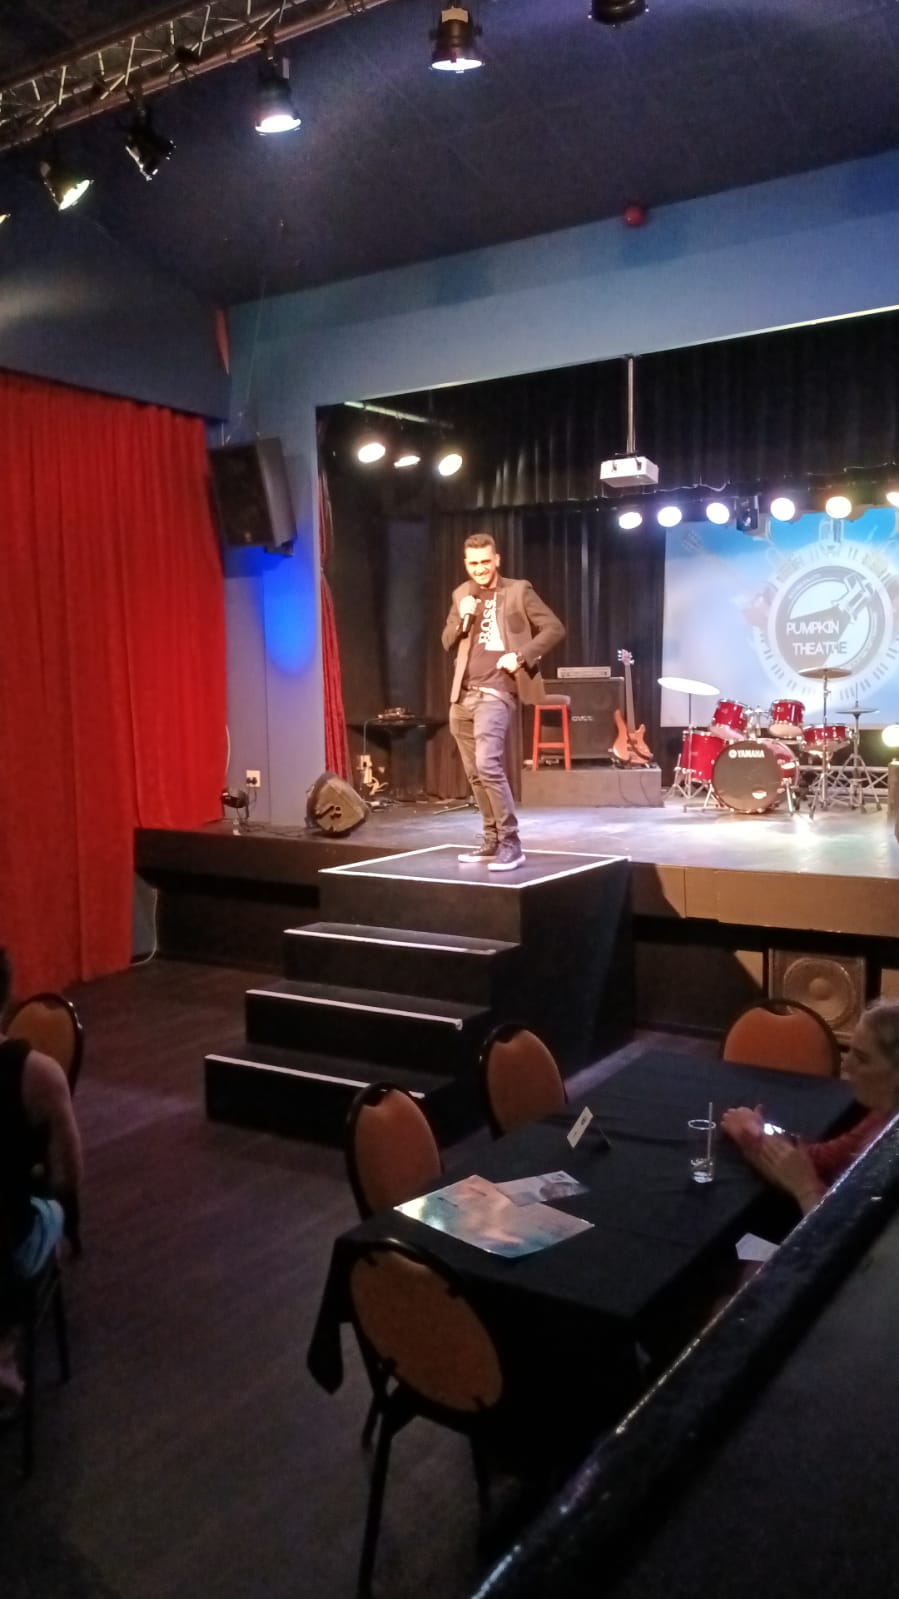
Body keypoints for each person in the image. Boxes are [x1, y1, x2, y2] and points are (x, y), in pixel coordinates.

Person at [442, 532, 565, 871]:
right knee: (474, 774)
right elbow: (447, 641)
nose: (480, 569)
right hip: (462, 695)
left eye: (485, 561)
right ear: (465, 564)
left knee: (487, 765)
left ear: (496, 560)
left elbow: (554, 628)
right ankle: (491, 839)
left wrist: (521, 656)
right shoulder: (461, 595)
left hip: (496, 692)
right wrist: (462, 618)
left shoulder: (518, 590)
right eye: (473, 563)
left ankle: (511, 842)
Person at [722, 998, 899, 1215]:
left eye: (862, 1059)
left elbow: (845, 1228)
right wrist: (755, 1138)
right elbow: (817, 1160)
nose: (847, 1065)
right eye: (850, 1052)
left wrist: (805, 1187)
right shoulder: (882, 1115)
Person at [0, 947, 83, 1403]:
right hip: (8, 1235)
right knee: (41, 1215)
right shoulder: (41, 1076)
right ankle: (5, 1352)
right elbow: (69, 1175)